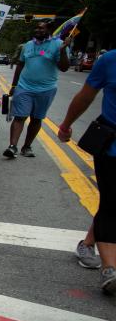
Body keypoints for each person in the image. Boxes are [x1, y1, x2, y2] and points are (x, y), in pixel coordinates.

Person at [58, 49, 116, 295]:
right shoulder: (110, 60)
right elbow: (85, 96)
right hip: (112, 148)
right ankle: (110, 269)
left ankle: (88, 242)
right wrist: (66, 125)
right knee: (112, 203)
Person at [5, 21, 70, 158]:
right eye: (36, 28)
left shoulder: (59, 44)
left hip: (46, 89)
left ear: (49, 30)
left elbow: (64, 67)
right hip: (24, 87)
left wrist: (63, 51)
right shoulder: (28, 45)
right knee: (20, 116)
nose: (37, 30)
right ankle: (12, 147)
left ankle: (27, 147)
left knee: (36, 118)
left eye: (41, 28)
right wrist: (14, 86)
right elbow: (20, 66)